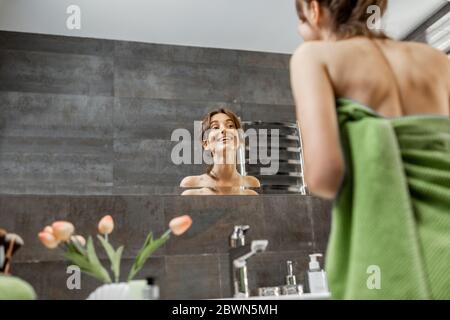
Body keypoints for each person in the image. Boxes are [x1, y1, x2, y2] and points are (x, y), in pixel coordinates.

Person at [290, 0, 450, 299]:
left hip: (390, 258)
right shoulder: (437, 61)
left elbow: (325, 175)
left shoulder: (313, 57)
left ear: (314, 9)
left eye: (300, 21)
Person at [180, 108, 260, 195]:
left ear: (240, 140)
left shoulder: (252, 185)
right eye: (215, 127)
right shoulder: (190, 184)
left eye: (230, 126)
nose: (223, 130)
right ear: (206, 144)